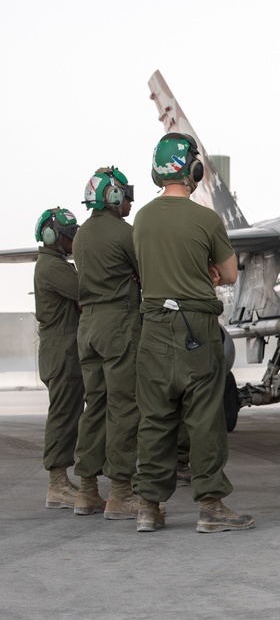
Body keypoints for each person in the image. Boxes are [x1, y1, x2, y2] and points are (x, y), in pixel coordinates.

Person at [131, 132, 253, 533]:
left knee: (154, 418)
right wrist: (209, 271)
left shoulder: (143, 218)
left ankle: (148, 507)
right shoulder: (206, 218)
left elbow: (145, 269)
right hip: (196, 327)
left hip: (153, 326)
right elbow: (231, 274)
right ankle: (212, 508)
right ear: (194, 172)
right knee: (203, 419)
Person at [72, 167, 141, 518]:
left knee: (94, 405)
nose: (129, 197)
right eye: (125, 192)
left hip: (88, 328)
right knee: (123, 406)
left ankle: (86, 490)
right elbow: (146, 272)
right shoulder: (124, 233)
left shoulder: (81, 235)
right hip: (118, 324)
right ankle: (120, 493)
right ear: (113, 197)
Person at [33, 207, 85, 509]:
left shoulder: (57, 264)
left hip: (65, 347)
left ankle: (62, 480)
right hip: (62, 350)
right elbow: (85, 291)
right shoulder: (52, 267)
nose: (73, 241)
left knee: (70, 413)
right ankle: (57, 483)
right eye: (69, 236)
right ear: (53, 237)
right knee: (63, 415)